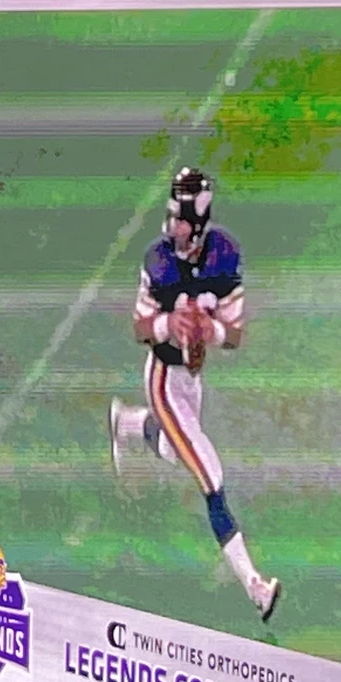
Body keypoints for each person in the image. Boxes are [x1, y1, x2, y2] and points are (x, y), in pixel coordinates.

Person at [108, 167, 280, 620]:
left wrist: (211, 330)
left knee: (170, 450)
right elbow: (139, 326)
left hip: (191, 380)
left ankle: (127, 422)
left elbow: (237, 334)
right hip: (163, 377)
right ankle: (255, 586)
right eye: (172, 218)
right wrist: (170, 324)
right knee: (212, 479)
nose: (173, 228)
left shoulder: (224, 255)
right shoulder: (159, 261)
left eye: (182, 221)